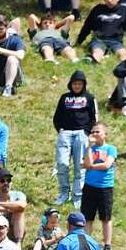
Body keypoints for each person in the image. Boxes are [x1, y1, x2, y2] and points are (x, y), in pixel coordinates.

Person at [53, 70, 97, 207]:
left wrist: (87, 132)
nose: (77, 86)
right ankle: (63, 193)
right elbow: (57, 116)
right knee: (62, 164)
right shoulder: (64, 97)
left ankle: (77, 196)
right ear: (70, 84)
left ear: (83, 85)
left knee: (80, 166)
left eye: (79, 84)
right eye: (75, 83)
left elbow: (93, 117)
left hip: (81, 134)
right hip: (65, 133)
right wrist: (60, 130)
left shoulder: (89, 98)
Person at [75, 0, 126, 64]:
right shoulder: (97, 9)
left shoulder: (124, 11)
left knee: (124, 54)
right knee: (97, 53)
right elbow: (87, 26)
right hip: (99, 40)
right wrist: (79, 41)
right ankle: (92, 61)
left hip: (116, 41)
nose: (109, 0)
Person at [81, 122, 117, 250]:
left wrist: (91, 167)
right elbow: (86, 163)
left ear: (105, 134)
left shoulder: (110, 149)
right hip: (89, 186)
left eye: (98, 132)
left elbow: (106, 165)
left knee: (106, 217)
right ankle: (85, 244)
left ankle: (107, 245)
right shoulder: (90, 149)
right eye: (93, 132)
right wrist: (89, 148)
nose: (94, 134)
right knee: (87, 217)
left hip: (105, 187)